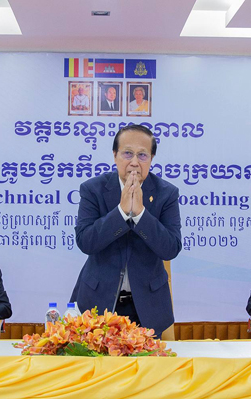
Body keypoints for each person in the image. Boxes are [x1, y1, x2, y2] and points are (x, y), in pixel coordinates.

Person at [70, 124, 181, 335]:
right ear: (115, 155)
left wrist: (140, 214)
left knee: (149, 358)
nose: (134, 162)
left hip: (148, 306)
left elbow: (171, 249)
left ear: (151, 158)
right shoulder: (93, 189)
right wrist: (121, 212)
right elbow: (86, 242)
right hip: (98, 303)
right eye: (127, 153)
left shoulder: (166, 193)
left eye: (142, 155)